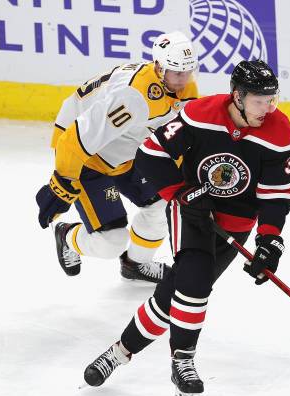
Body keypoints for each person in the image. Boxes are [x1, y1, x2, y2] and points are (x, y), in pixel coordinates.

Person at [83, 60, 290, 396]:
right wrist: (180, 194)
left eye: (272, 100)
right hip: (193, 213)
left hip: (236, 224)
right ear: (238, 96)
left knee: (174, 293)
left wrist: (269, 240)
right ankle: (183, 361)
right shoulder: (200, 114)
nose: (268, 108)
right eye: (260, 100)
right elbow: (151, 156)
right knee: (195, 282)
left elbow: (277, 194)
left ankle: (119, 352)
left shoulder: (279, 131)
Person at [35, 31, 199, 283]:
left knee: (161, 205)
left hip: (126, 152)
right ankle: (66, 235)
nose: (183, 80)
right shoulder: (133, 96)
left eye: (188, 71)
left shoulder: (185, 86)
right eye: (177, 72)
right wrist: (63, 183)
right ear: (158, 67)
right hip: (87, 158)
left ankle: (135, 264)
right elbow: (75, 139)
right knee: (111, 242)